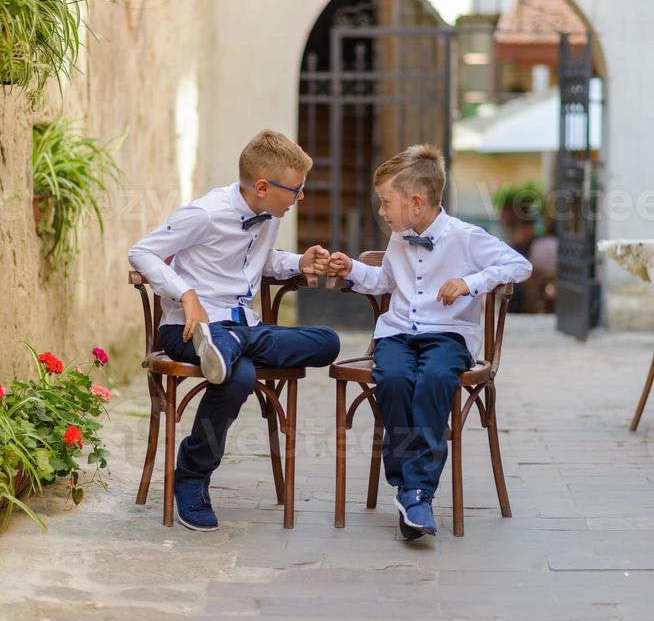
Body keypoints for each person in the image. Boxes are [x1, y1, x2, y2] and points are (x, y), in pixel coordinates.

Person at [128, 129, 340, 531]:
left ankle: (233, 343)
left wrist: (300, 263)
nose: (300, 199)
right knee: (238, 376)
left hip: (240, 329)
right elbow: (142, 251)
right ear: (262, 186)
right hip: (189, 329)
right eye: (295, 190)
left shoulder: (270, 216)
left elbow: (258, 264)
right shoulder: (206, 213)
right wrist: (185, 292)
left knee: (328, 342)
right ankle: (192, 478)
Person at [328, 144, 532, 541]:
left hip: (449, 336)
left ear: (416, 202)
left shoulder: (465, 237)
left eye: (387, 203)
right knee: (394, 378)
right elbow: (385, 281)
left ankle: (415, 489)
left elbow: (518, 265)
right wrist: (350, 267)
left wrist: (470, 283)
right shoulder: (400, 236)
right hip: (398, 333)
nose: (382, 211)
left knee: (436, 378)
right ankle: (411, 487)